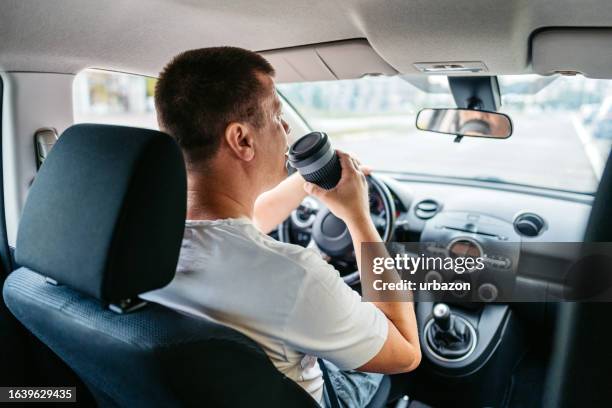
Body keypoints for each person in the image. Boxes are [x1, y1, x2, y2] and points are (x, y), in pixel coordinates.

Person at [141, 46, 421, 407]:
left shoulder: (139, 242)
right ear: (241, 139)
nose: (286, 128)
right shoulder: (296, 276)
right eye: (276, 115)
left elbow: (237, 229)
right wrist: (358, 219)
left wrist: (306, 182)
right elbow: (406, 351)